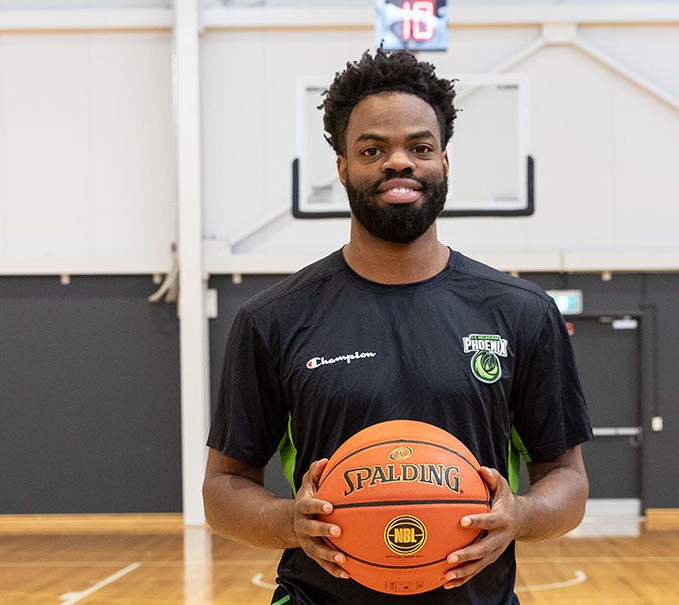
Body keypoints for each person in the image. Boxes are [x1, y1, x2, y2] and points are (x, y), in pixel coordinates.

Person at [203, 49, 592, 605]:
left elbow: (568, 479)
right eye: (372, 149)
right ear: (341, 167)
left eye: (420, 147)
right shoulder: (274, 319)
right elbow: (223, 488)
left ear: (444, 162)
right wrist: (292, 522)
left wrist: (521, 514)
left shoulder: (521, 312)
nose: (399, 163)